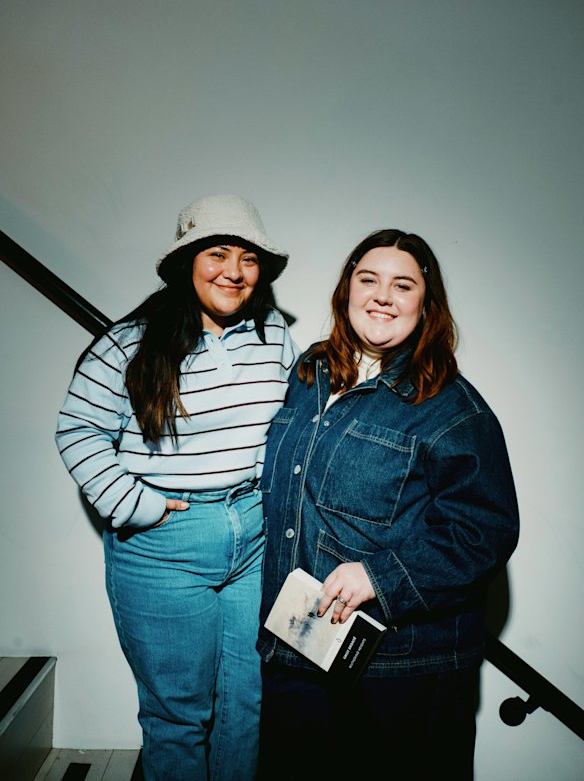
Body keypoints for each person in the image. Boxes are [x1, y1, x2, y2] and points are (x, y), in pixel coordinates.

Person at [256, 228, 520, 781]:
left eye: (403, 285)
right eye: (368, 279)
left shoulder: (452, 408)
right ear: (346, 290)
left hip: (402, 674)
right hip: (299, 654)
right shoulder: (308, 374)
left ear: (426, 307)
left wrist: (382, 575)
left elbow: (486, 531)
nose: (382, 295)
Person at [55, 194, 298, 781]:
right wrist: (139, 507)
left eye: (247, 258)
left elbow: (290, 429)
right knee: (179, 715)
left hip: (254, 538)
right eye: (217, 253)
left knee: (248, 704)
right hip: (165, 547)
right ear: (187, 260)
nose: (233, 272)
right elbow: (78, 429)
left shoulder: (275, 336)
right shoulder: (130, 342)